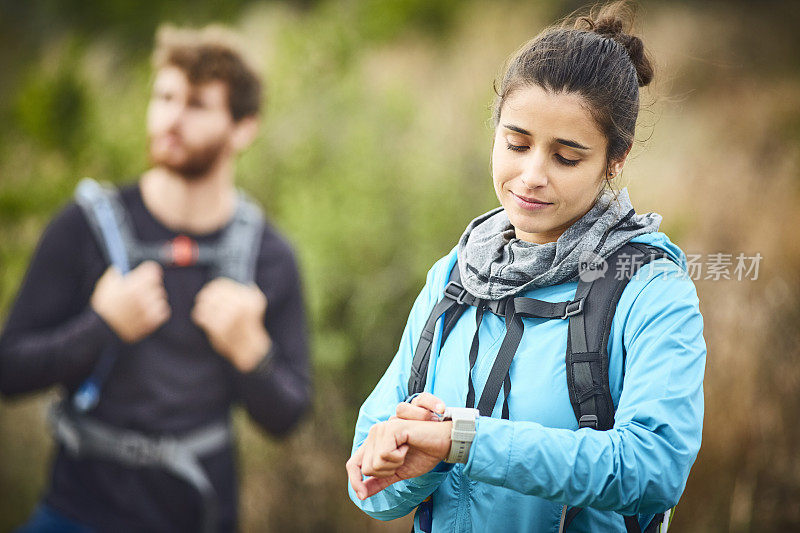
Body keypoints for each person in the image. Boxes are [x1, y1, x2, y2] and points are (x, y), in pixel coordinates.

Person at [346, 2, 705, 532]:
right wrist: (414, 464)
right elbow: (368, 489)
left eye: (566, 157)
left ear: (616, 158)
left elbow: (653, 470)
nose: (532, 175)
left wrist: (464, 442)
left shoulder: (652, 289)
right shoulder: (454, 274)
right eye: (516, 143)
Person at [0, 25, 310, 532]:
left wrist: (251, 352)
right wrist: (99, 326)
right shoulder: (83, 227)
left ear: (243, 127)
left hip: (200, 517)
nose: (171, 117)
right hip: (75, 512)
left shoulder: (270, 257)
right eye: (164, 97)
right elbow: (9, 370)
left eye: (195, 104)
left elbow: (288, 416)